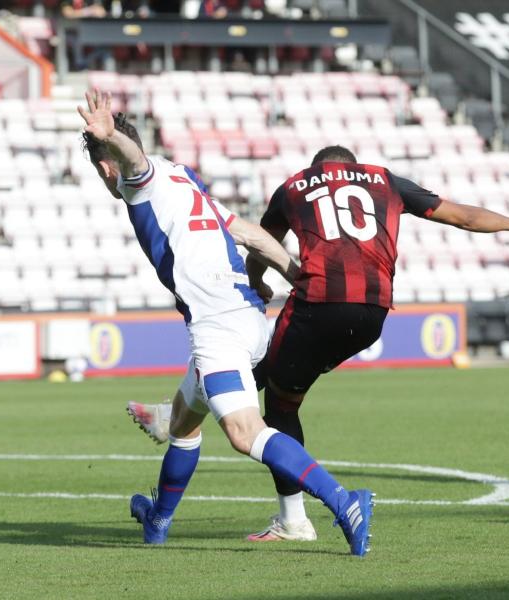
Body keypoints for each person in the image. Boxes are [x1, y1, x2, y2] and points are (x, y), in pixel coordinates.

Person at [130, 144, 509, 542]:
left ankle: (294, 518)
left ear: (319, 168)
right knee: (273, 378)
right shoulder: (385, 180)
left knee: (272, 395)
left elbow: (264, 239)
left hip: (318, 302)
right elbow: (460, 216)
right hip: (373, 313)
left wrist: (256, 281)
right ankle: (180, 415)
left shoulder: (295, 186)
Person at [78, 89, 376, 556]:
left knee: (243, 432)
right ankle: (157, 521)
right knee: (182, 421)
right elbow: (250, 234)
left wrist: (111, 137)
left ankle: (345, 502)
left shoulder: (141, 181)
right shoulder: (184, 181)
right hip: (249, 317)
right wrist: (294, 273)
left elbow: (133, 162)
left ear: (104, 167)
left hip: (217, 326)